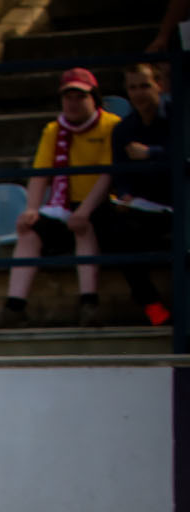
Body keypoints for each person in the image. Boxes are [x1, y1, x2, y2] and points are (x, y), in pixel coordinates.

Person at [0, 68, 124, 327]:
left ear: (94, 98)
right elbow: (41, 174)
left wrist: (83, 211)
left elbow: (108, 174)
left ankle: (89, 304)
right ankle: (14, 307)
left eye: (80, 97)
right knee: (28, 230)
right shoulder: (53, 130)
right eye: (68, 97)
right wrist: (31, 209)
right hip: (60, 205)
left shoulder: (111, 125)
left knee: (84, 226)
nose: (73, 103)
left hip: (98, 205)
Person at [104, 62, 174, 325]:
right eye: (132, 87)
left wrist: (151, 154)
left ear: (159, 85)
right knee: (118, 234)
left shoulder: (179, 117)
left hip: (182, 205)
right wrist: (124, 196)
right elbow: (121, 175)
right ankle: (155, 311)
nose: (138, 93)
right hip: (147, 209)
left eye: (144, 85)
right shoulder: (123, 130)